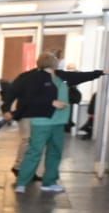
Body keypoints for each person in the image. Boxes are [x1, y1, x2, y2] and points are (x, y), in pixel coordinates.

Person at [11, 53, 104, 195]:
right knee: (34, 151)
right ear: (51, 62)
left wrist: (101, 72)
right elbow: (29, 99)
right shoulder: (35, 78)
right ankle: (22, 182)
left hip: (59, 121)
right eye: (55, 60)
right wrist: (51, 102)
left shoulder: (60, 76)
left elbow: (81, 77)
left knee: (55, 152)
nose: (57, 62)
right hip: (42, 121)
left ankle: (49, 182)